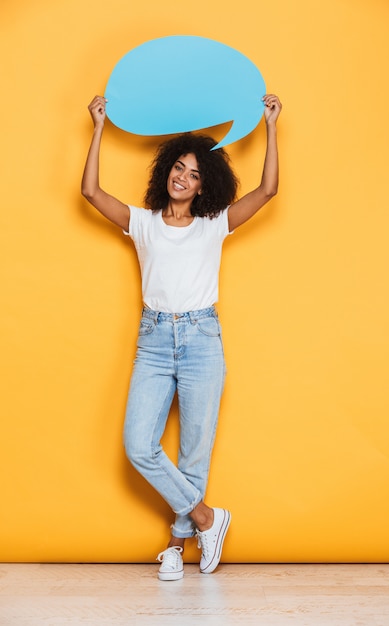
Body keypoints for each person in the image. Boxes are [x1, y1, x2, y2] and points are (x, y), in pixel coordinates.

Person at [81, 92, 282, 581]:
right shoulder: (144, 223)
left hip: (201, 339)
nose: (183, 178)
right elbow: (90, 193)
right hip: (153, 341)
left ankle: (175, 546)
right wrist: (99, 127)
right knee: (138, 445)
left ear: (204, 185)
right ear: (165, 170)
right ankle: (209, 519)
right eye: (179, 167)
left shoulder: (213, 226)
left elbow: (268, 191)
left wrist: (273, 127)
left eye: (195, 174)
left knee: (193, 452)